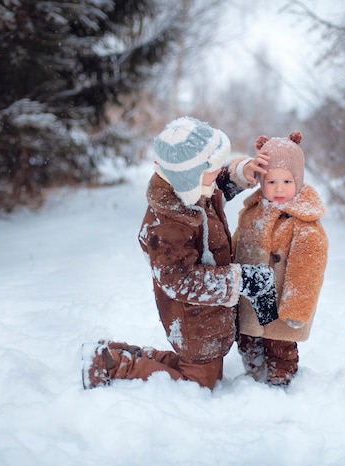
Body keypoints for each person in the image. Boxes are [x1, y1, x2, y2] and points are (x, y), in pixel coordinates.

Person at [82, 116, 279, 390]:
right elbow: (180, 281)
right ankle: (111, 363)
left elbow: (213, 181)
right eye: (212, 170)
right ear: (190, 179)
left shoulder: (190, 186)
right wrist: (240, 280)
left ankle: (112, 352)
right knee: (200, 382)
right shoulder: (167, 224)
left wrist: (240, 173)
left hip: (210, 309)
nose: (216, 174)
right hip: (192, 315)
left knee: (204, 370)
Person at [232, 131, 328, 386]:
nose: (279, 189)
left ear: (298, 180)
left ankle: (280, 387)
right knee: (249, 345)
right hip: (251, 305)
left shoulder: (305, 223)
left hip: (283, 310)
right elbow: (237, 247)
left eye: (287, 181)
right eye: (271, 182)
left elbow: (308, 271)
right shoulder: (252, 214)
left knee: (280, 351)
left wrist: (297, 309)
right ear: (262, 183)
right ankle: (251, 383)